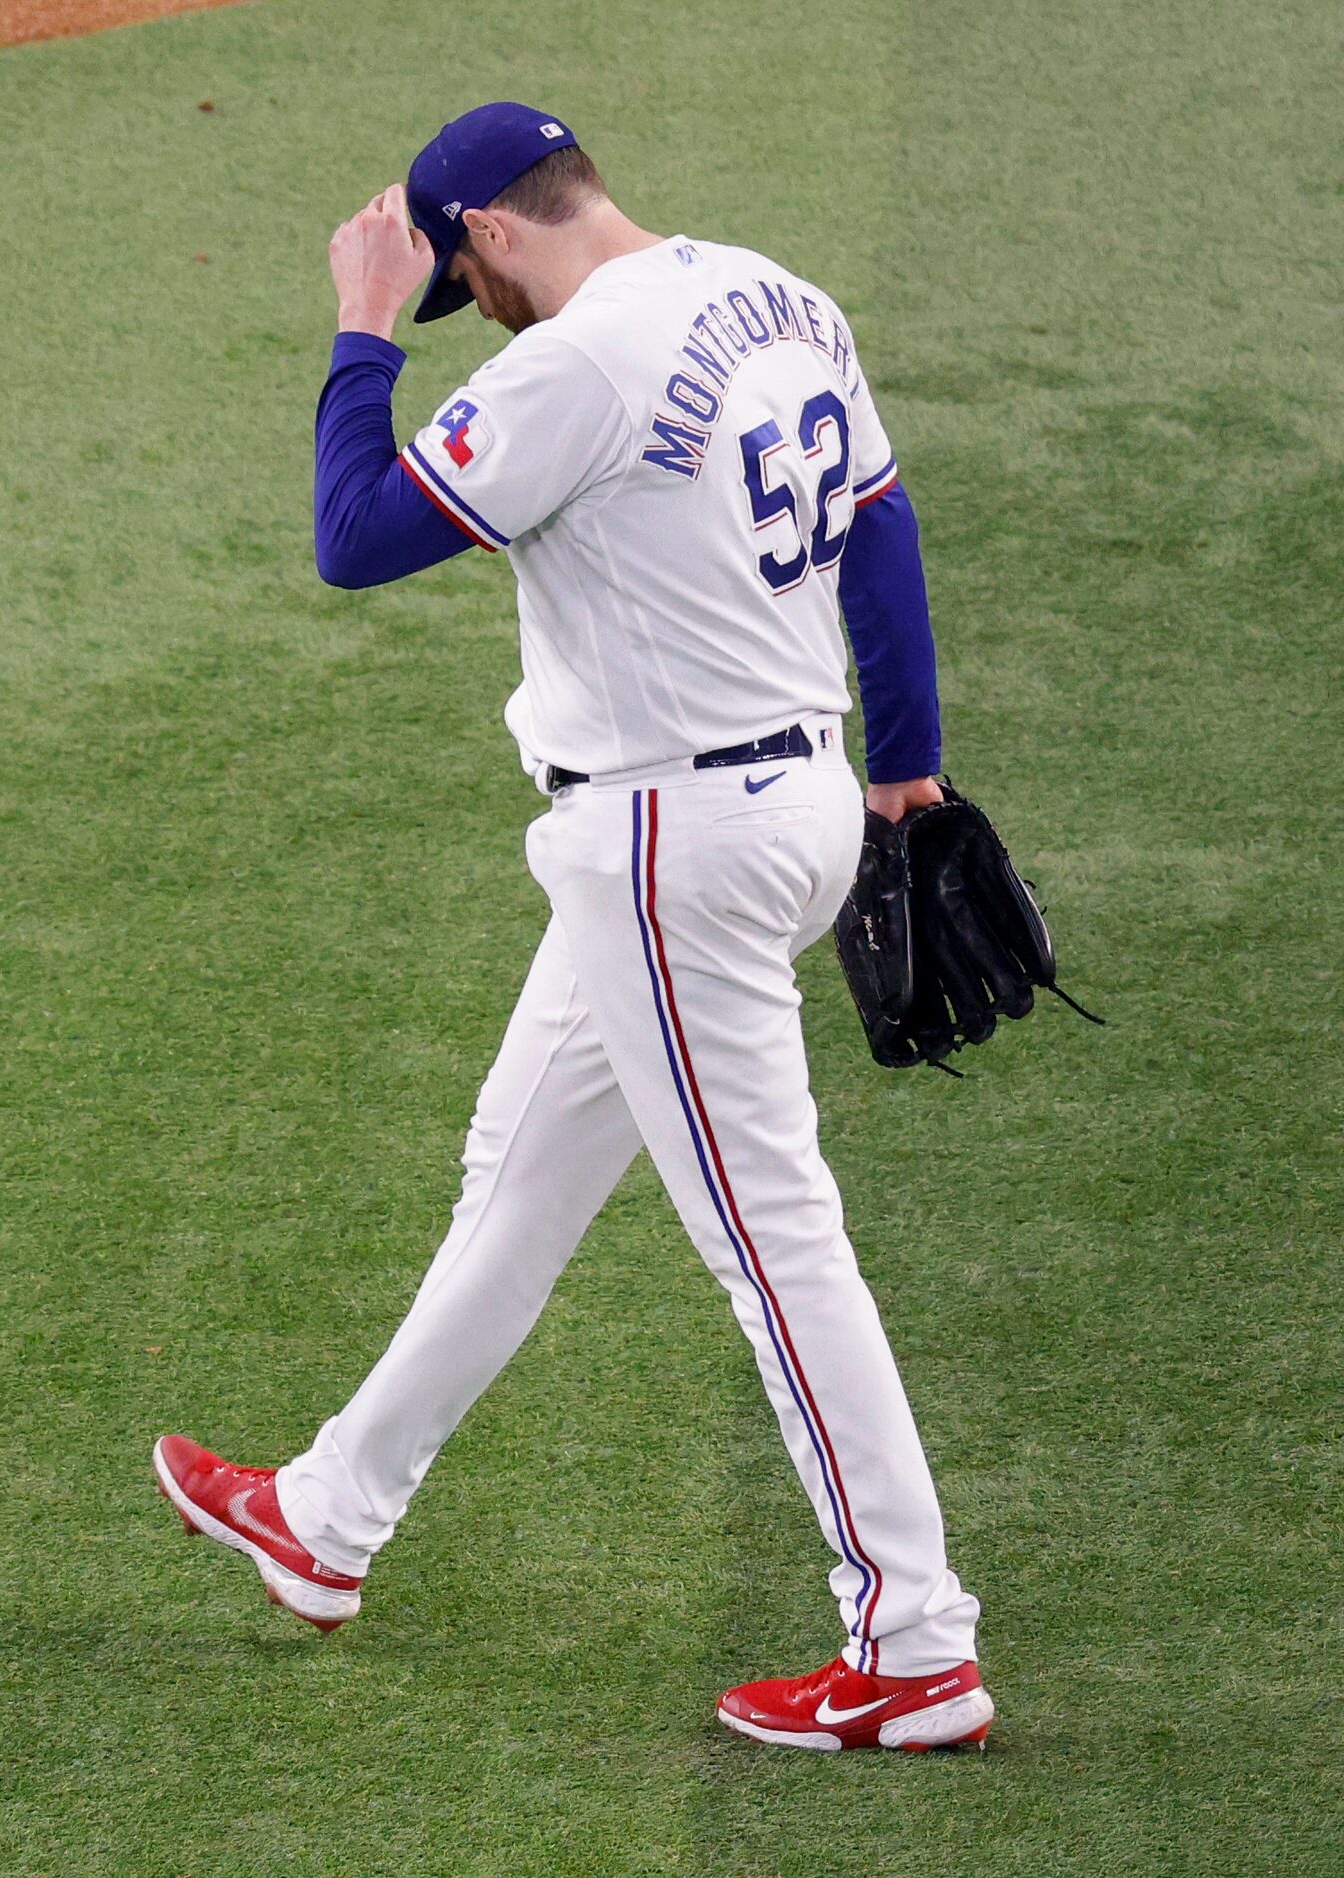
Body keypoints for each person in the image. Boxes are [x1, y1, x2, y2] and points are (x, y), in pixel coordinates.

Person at [154, 103, 991, 1753]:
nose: (486, 308)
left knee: (773, 1243)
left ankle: (915, 1642)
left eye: (471, 278)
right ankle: (327, 1517)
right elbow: (880, 534)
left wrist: (361, 330)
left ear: (498, 233)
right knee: (518, 1167)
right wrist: (906, 775)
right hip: (796, 795)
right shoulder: (776, 293)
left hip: (673, 848)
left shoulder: (576, 368)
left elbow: (353, 540)